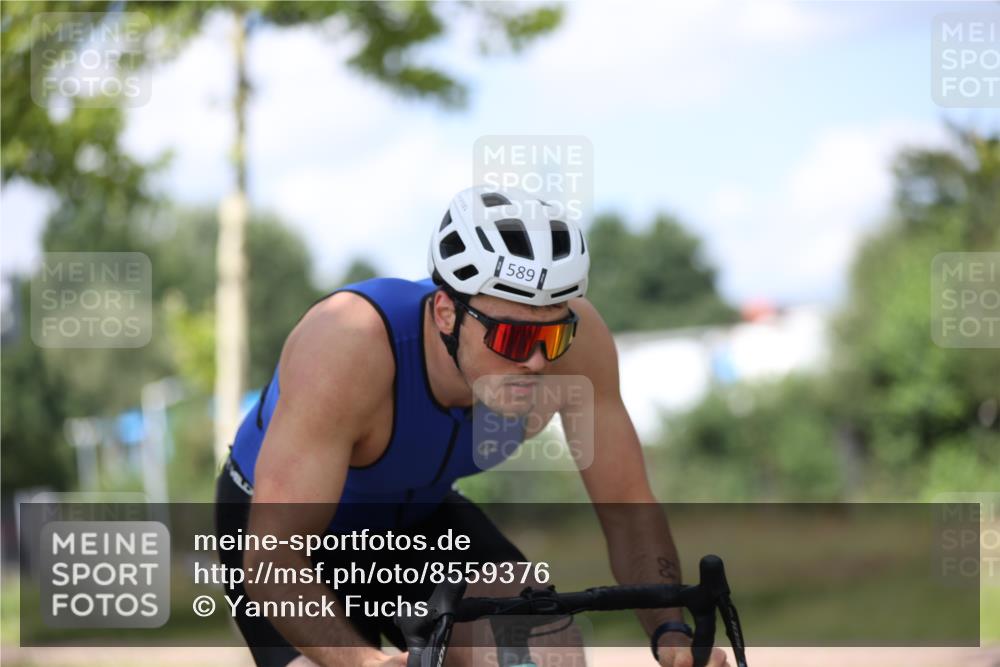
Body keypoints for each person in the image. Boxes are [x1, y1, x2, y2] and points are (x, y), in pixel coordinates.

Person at [214, 185, 730, 667]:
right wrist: (364, 663)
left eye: (551, 338)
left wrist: (674, 635)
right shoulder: (347, 342)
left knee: (545, 647)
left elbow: (627, 511)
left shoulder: (579, 346)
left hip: (416, 519)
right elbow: (272, 554)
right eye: (510, 338)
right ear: (445, 312)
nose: (534, 362)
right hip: (283, 537)